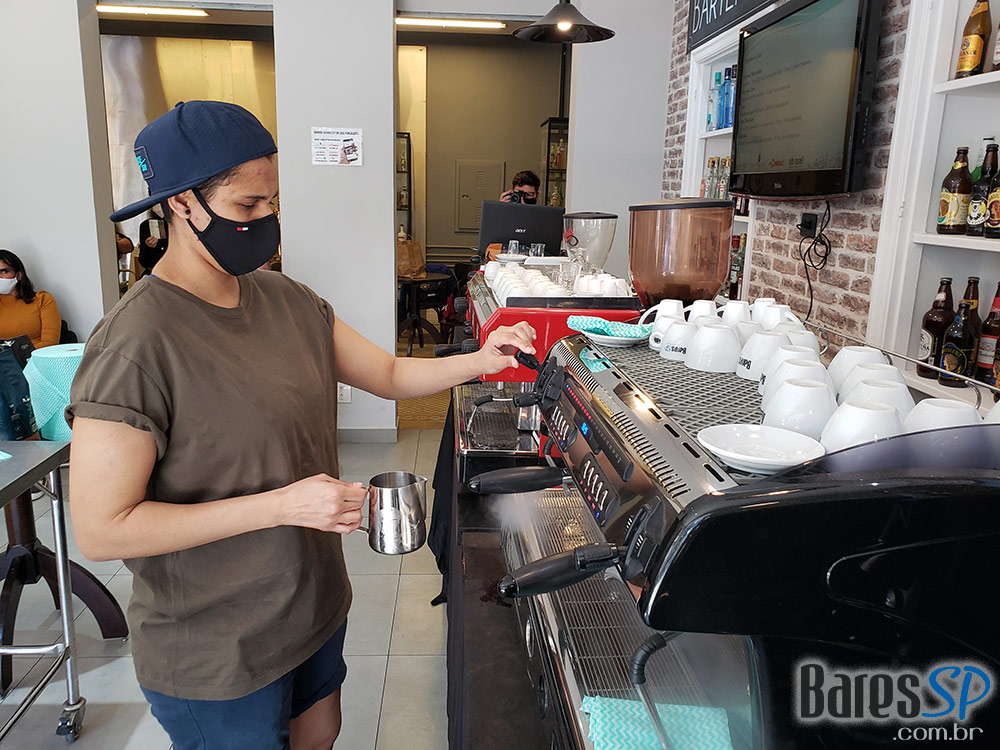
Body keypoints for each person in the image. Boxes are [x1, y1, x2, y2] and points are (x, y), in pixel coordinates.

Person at [66, 100, 536, 750]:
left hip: (310, 607)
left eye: (273, 202)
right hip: (218, 645)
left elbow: (388, 374)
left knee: (320, 735)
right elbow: (102, 528)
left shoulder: (287, 300)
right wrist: (282, 506)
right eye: (247, 205)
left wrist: (483, 359)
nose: (267, 222)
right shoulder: (134, 345)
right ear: (180, 204)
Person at [0, 249, 61, 349]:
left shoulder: (43, 300)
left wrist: (17, 354)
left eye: (4, 271)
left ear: (19, 275)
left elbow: (50, 343)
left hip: (35, 356)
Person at [137, 206, 169, 276]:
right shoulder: (147, 225)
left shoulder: (182, 225)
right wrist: (148, 247)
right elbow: (144, 261)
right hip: (156, 273)